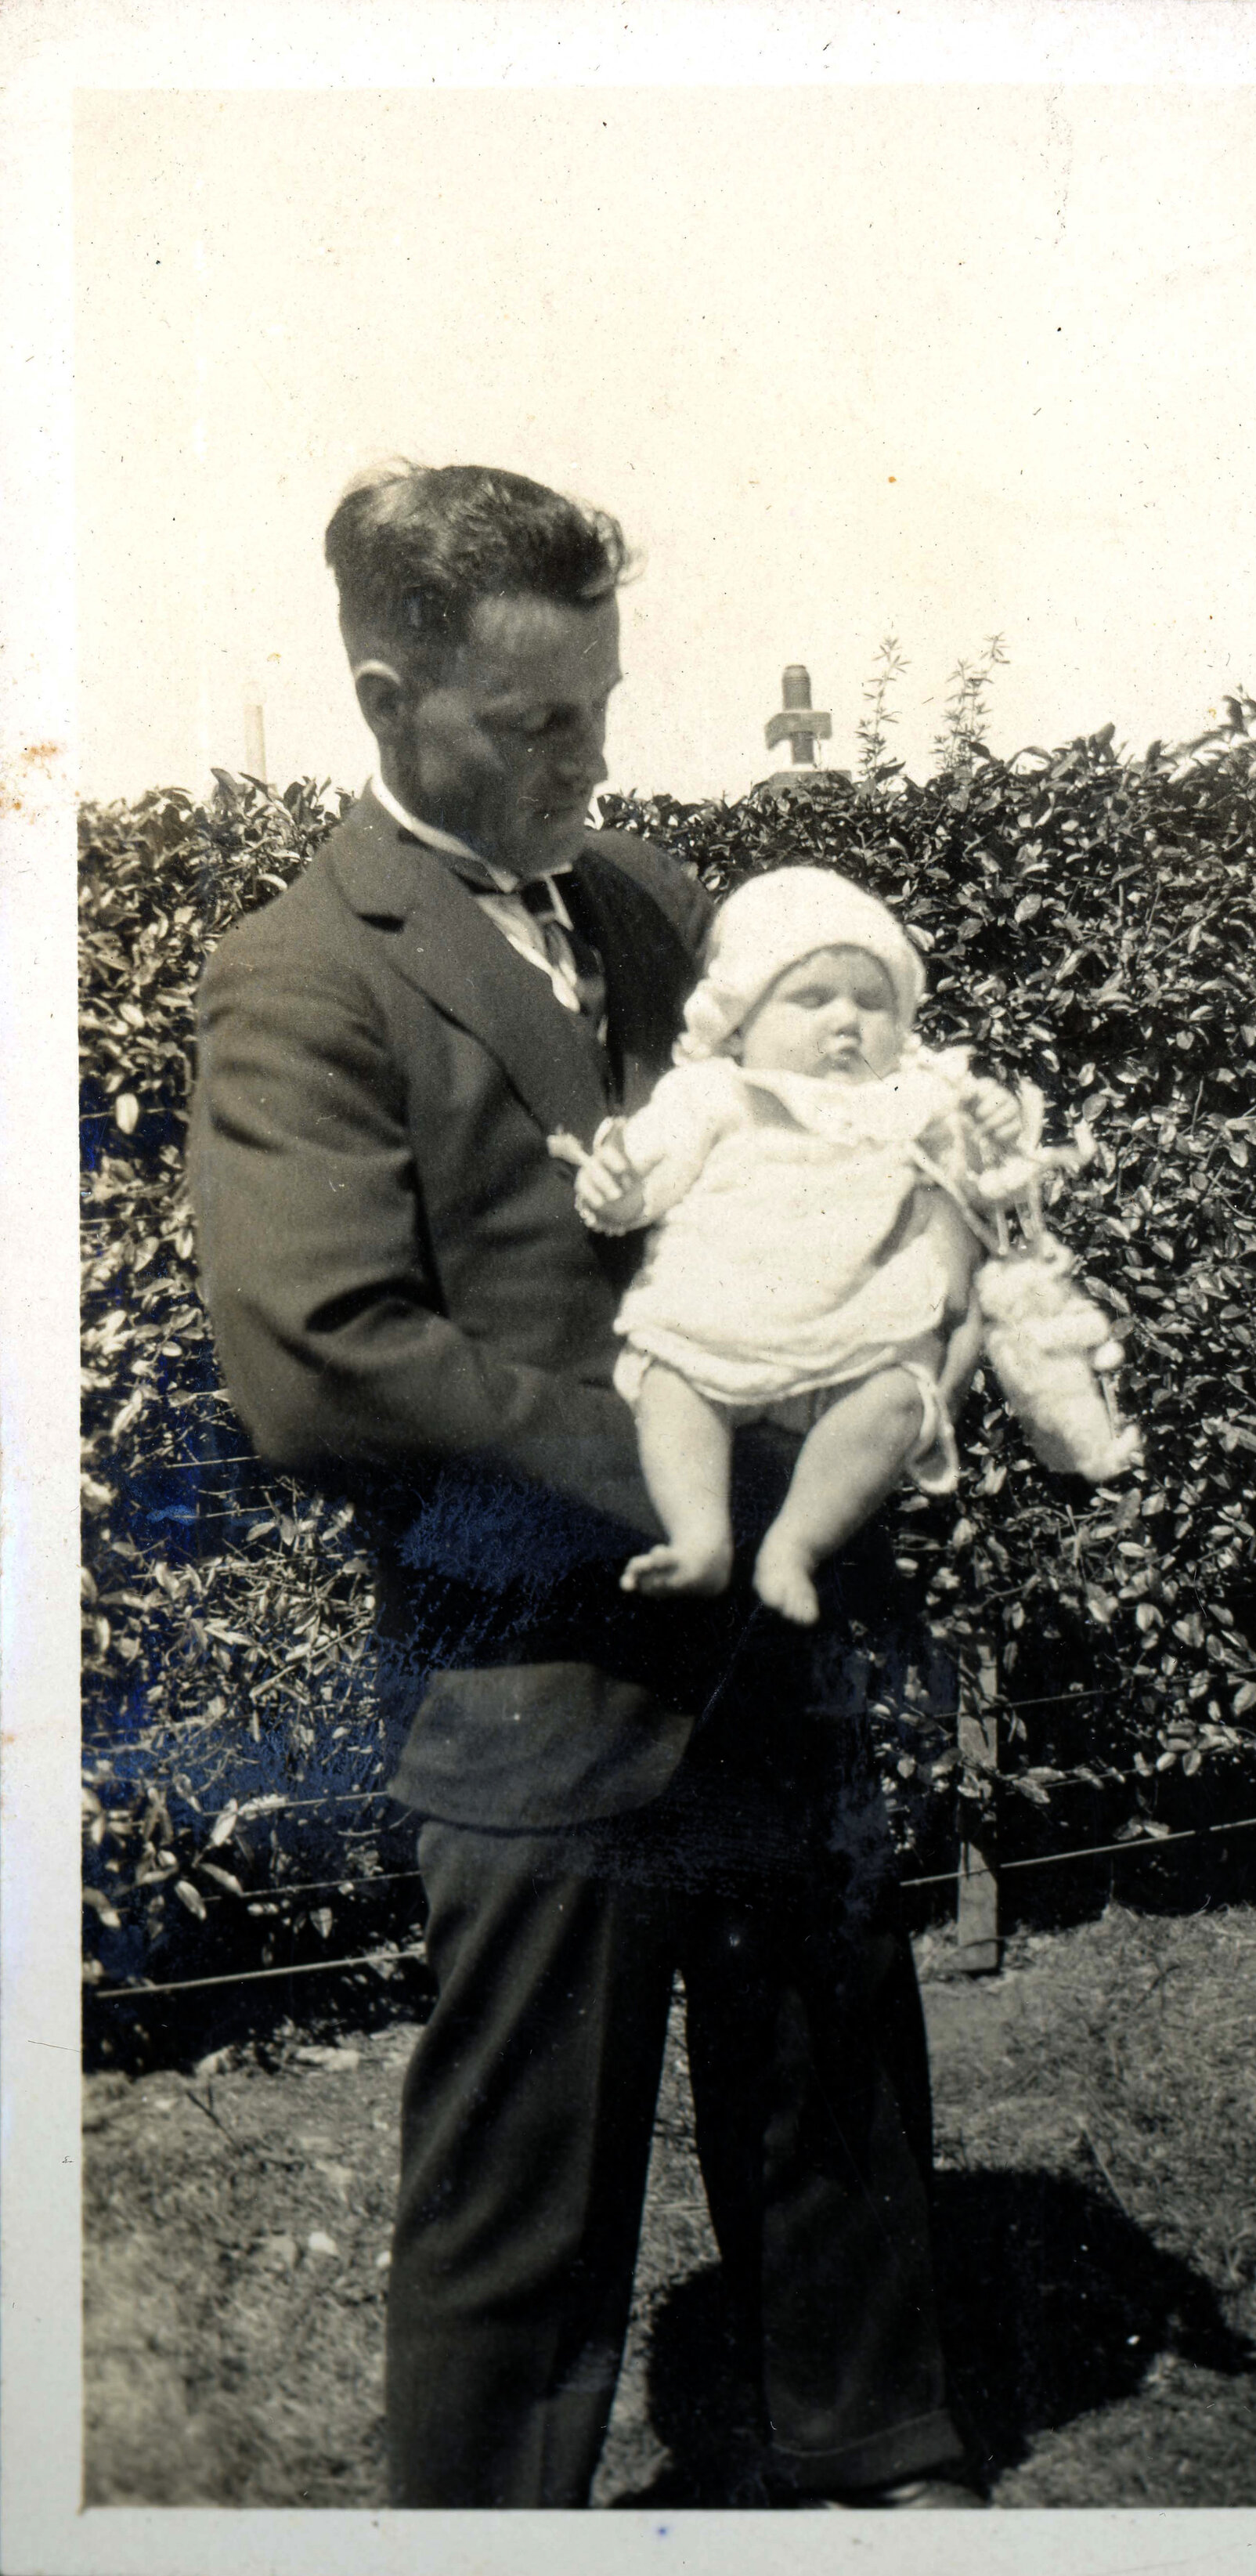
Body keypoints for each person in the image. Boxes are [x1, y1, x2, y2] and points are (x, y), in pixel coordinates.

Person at [189, 463, 981, 2509]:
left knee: (831, 2097)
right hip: (534, 1692)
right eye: (534, 723)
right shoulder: (304, 977)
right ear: (387, 696)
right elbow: (330, 1362)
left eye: (601, 706)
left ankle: (877, 2456)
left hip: (770, 1663)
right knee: (524, 2209)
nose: (590, 759)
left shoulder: (644, 910)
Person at [566, 865, 1023, 1625]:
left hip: (855, 1337)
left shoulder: (909, 1101)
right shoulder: (715, 1093)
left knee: (895, 1403)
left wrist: (993, 1133)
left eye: (872, 1003)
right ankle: (698, 1533)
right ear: (739, 1020)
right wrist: (618, 1188)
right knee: (672, 1388)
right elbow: (651, 1180)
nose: (846, 1021)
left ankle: (795, 1543)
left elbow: (979, 1183)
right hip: (717, 1322)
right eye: (812, 998)